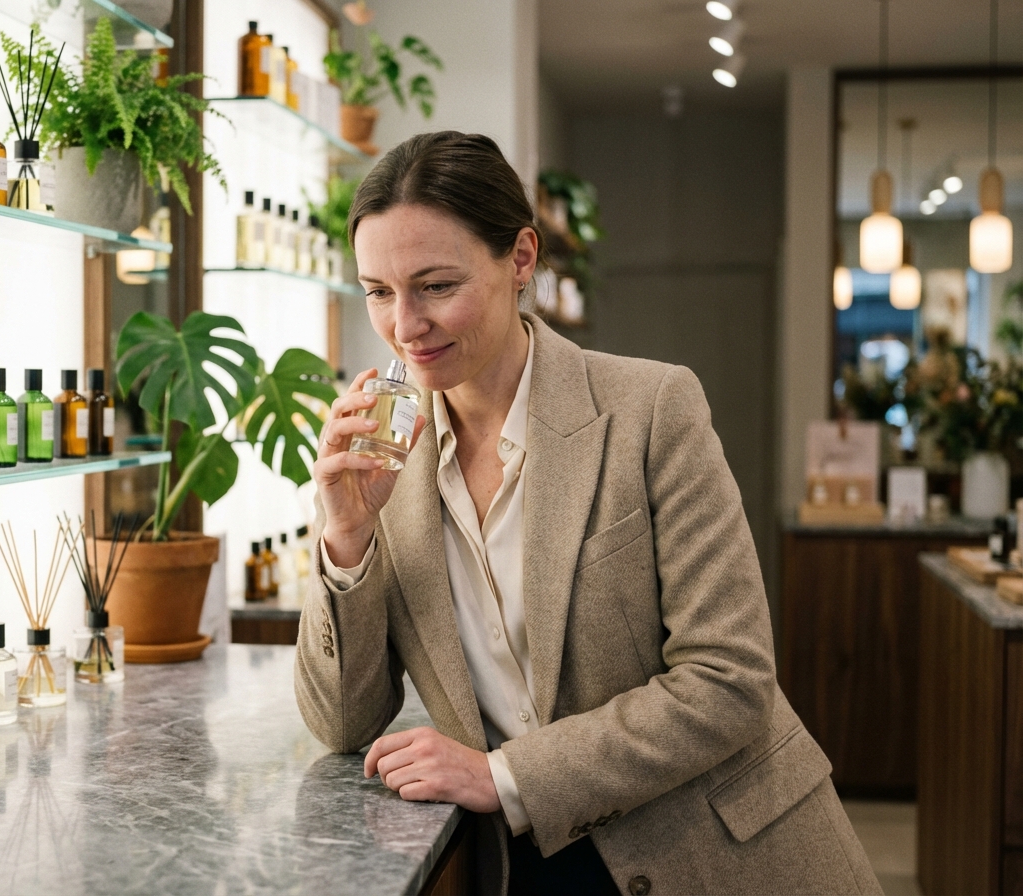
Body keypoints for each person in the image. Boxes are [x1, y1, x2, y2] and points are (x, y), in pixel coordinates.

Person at [295, 130, 881, 896]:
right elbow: (343, 726)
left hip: (715, 853)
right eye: (378, 291)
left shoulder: (651, 408)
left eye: (436, 285)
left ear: (522, 259)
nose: (405, 326)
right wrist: (347, 536)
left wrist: (501, 774)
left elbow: (729, 679)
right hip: (523, 864)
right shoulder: (384, 458)